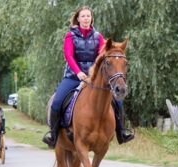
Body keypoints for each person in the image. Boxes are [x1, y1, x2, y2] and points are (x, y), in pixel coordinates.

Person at [42, 6, 134, 149]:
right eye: (83, 16)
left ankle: (121, 132)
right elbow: (69, 56)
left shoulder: (98, 37)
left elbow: (101, 56)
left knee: (118, 102)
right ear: (78, 19)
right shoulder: (70, 36)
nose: (86, 18)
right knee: (57, 102)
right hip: (73, 76)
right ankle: (53, 136)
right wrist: (79, 72)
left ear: (91, 19)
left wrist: (93, 73)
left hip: (93, 78)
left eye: (88, 16)